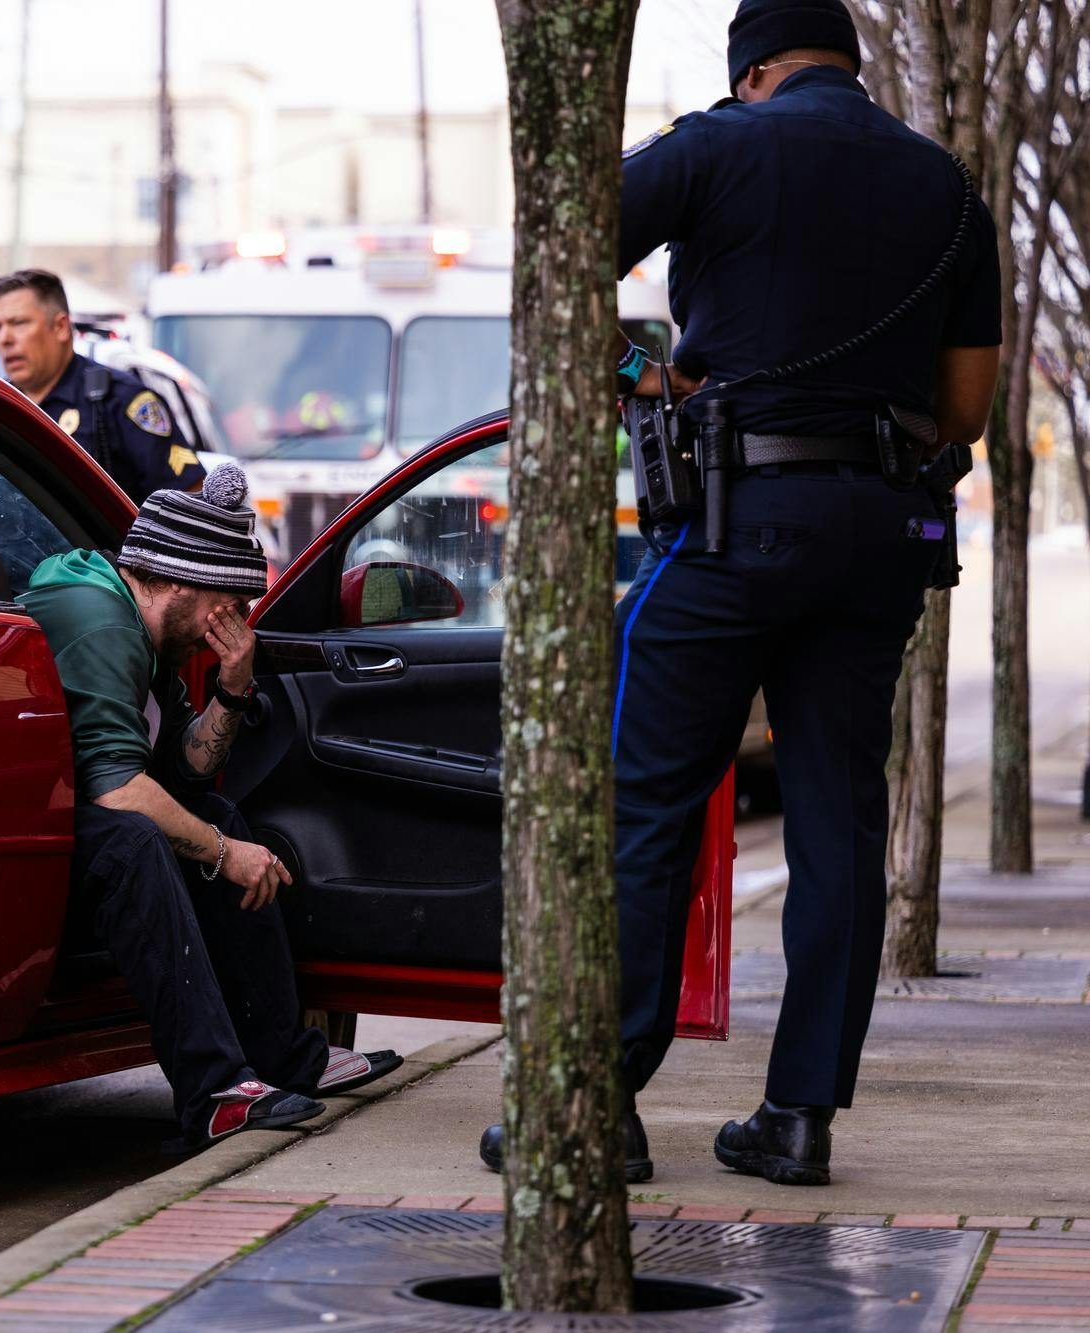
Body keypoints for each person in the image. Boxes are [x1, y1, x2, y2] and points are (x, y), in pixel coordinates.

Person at [481, 0, 1001, 1187]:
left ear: (753, 69)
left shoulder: (713, 144)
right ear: (850, 67)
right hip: (876, 535)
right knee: (836, 823)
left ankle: (596, 1102)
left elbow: (554, 248)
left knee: (643, 803)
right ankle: (797, 1116)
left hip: (729, 524)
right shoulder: (949, 190)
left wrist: (636, 370)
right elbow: (964, 413)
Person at [19, 462, 400, 1150]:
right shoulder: (103, 618)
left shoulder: (150, 637)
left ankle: (287, 1057)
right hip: (29, 841)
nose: (234, 621)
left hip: (83, 825)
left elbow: (187, 769)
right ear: (181, 578)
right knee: (143, 839)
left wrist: (233, 685)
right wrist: (227, 858)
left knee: (214, 816)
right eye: (231, 602)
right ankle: (213, 1090)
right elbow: (115, 789)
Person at [0, 268, 206, 504]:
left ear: (60, 327)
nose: (4, 339)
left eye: (18, 323)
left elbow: (192, 497)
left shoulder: (119, 399)